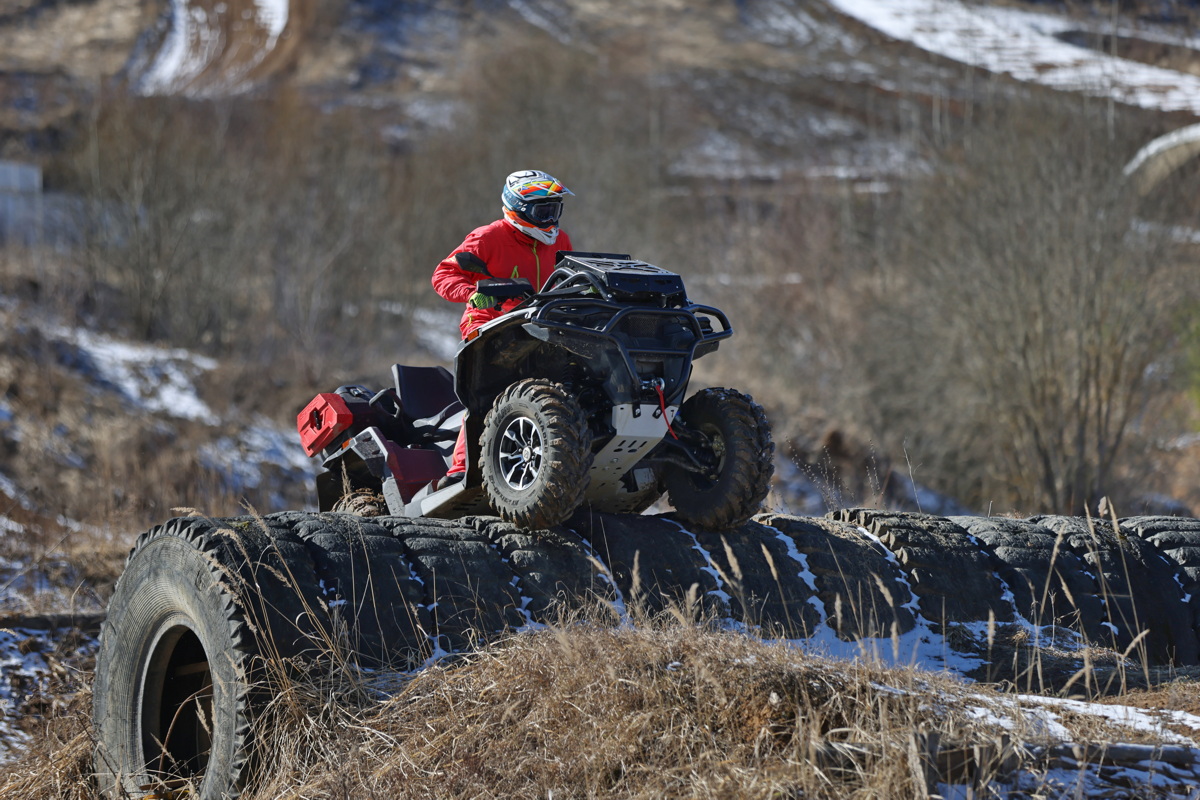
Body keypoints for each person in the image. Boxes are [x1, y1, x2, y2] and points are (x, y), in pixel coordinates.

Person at [431, 169, 575, 481]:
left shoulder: (560, 239)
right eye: (543, 210)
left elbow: (569, 279)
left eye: (555, 209)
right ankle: (459, 470)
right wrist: (472, 294)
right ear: (521, 209)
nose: (551, 218)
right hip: (489, 323)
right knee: (495, 389)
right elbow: (443, 275)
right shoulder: (488, 237)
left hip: (540, 324)